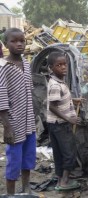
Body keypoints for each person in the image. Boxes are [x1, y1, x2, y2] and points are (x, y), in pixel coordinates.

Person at [0, 28, 36, 195]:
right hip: (14, 123)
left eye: (22, 40)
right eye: (14, 41)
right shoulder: (3, 67)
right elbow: (1, 97)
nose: (19, 44)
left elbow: (30, 91)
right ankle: (11, 194)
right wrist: (7, 127)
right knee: (14, 161)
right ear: (6, 44)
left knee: (28, 158)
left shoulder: (27, 65)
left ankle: (27, 188)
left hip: (29, 121)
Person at [47, 51, 81, 191]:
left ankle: (59, 178)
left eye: (64, 64)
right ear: (51, 67)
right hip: (60, 125)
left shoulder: (57, 81)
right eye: (58, 65)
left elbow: (59, 100)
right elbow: (52, 106)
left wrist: (74, 100)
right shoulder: (56, 85)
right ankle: (64, 182)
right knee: (69, 152)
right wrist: (69, 119)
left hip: (54, 124)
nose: (63, 67)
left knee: (59, 152)